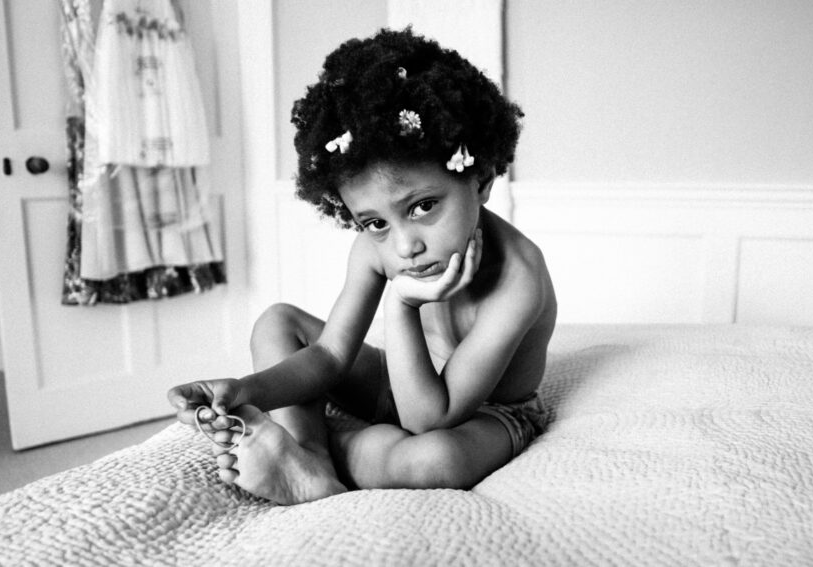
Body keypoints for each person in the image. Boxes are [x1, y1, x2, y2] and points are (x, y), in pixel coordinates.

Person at [167, 27, 557, 505]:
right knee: (278, 322)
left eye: (422, 206)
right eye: (374, 222)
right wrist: (245, 392)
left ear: (479, 179)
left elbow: (429, 419)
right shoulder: (379, 248)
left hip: (484, 412)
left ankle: (324, 446)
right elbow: (330, 356)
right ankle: (308, 456)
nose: (404, 244)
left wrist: (402, 306)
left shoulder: (519, 277)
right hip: (397, 383)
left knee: (435, 459)